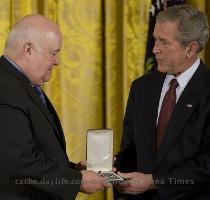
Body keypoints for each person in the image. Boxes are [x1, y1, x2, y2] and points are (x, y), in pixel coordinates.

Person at [0, 14, 110, 200]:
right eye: (53, 53)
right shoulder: (5, 88)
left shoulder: (19, 83)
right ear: (28, 50)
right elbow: (18, 162)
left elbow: (36, 151)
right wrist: (76, 180)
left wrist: (74, 170)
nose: (57, 61)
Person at [114, 4, 210, 200]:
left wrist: (154, 182)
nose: (155, 49)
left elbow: (207, 164)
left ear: (190, 49)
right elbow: (130, 150)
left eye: (164, 43)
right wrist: (112, 170)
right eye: (155, 40)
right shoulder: (141, 88)